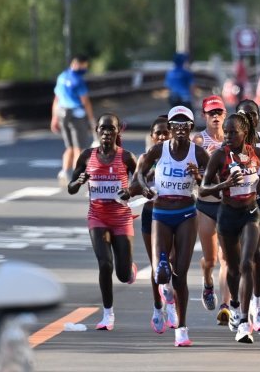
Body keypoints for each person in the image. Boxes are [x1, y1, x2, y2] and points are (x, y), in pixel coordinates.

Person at [133, 106, 210, 347]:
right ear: (170, 127)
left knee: (180, 274)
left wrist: (198, 177)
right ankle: (162, 283)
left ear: (190, 127)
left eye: (184, 124)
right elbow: (139, 173)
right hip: (161, 212)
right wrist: (144, 186)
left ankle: (182, 328)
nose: (179, 128)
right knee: (161, 271)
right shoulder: (159, 149)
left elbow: (211, 180)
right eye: (174, 124)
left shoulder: (199, 153)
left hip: (187, 213)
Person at [201, 112, 260, 344]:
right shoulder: (219, 156)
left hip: (251, 213)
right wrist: (225, 184)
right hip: (227, 215)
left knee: (247, 263)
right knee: (232, 269)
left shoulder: (257, 154)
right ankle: (233, 304)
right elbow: (203, 188)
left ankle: (244, 321)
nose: (228, 136)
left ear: (244, 133)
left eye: (233, 132)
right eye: (227, 132)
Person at [67, 113, 137, 331]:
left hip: (121, 218)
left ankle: (129, 270)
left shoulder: (126, 157)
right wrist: (78, 182)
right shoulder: (87, 156)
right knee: (105, 264)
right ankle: (108, 314)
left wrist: (129, 191)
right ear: (96, 131)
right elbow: (71, 187)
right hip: (97, 217)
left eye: (111, 129)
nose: (107, 133)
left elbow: (141, 182)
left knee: (123, 274)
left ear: (118, 132)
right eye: (103, 129)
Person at [235, 99, 260, 334]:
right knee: (240, 258)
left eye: (252, 115)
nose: (249, 119)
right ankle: (237, 303)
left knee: (255, 251)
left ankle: (256, 305)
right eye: (244, 115)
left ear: (258, 119)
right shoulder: (230, 141)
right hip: (237, 203)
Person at [135, 116, 177, 336]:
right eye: (158, 133)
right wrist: (145, 179)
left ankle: (170, 300)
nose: (162, 136)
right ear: (152, 136)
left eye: (165, 132)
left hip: (175, 213)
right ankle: (158, 307)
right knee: (155, 264)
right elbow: (133, 185)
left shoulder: (178, 156)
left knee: (172, 260)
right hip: (151, 213)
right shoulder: (146, 157)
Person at [191, 95, 231, 324]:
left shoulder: (233, 138)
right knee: (211, 259)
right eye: (211, 113)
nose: (215, 117)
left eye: (219, 113)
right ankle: (207, 282)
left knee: (227, 257)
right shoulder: (198, 140)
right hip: (206, 205)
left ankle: (225, 305)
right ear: (204, 116)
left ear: (225, 114)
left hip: (228, 205)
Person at [52, 55, 94, 185]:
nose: (85, 68)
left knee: (69, 146)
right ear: (78, 64)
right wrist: (92, 119)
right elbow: (85, 101)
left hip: (62, 114)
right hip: (77, 115)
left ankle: (64, 171)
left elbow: (56, 99)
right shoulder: (78, 80)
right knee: (79, 148)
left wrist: (54, 117)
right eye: (84, 66)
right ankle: (78, 174)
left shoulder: (61, 77)